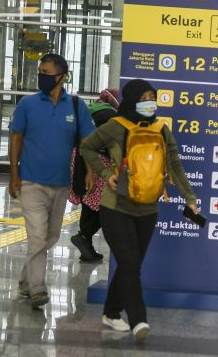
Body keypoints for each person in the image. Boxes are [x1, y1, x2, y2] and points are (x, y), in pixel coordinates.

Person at [80, 79, 198, 343]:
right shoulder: (115, 127)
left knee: (129, 264)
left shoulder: (160, 129)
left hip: (147, 208)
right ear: (133, 100)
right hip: (115, 207)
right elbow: (86, 147)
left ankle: (110, 313)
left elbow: (175, 164)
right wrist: (105, 173)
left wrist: (189, 197)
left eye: (152, 97)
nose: (150, 103)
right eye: (144, 98)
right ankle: (138, 319)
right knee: (131, 263)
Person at [9, 53, 96, 307]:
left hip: (60, 184)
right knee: (37, 237)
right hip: (31, 182)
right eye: (40, 72)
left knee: (49, 238)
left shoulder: (77, 106)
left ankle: (26, 281)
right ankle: (37, 289)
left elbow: (87, 141)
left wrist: (90, 170)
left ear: (61, 77)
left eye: (46, 73)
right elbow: (16, 139)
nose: (41, 77)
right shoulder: (28, 104)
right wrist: (15, 175)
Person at [69, 88, 120, 261]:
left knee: (89, 202)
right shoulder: (110, 115)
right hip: (98, 162)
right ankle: (83, 236)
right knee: (107, 204)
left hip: (79, 158)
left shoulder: (94, 109)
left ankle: (87, 247)